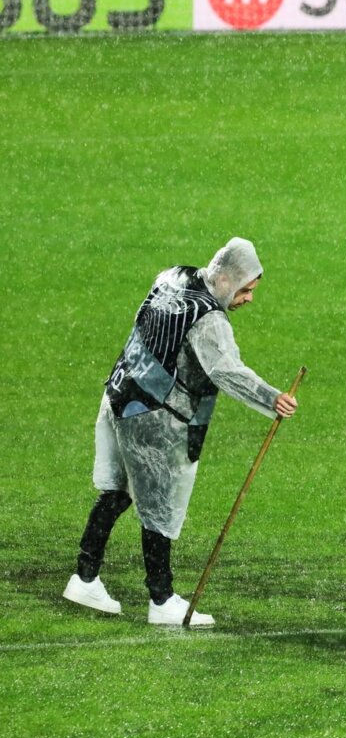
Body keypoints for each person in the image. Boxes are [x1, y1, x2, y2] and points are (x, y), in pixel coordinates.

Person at [63, 238, 298, 627]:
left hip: (118, 395)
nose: (249, 299)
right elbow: (225, 371)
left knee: (117, 493)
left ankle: (84, 577)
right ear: (225, 279)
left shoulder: (173, 276)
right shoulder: (209, 319)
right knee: (159, 507)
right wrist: (271, 399)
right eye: (246, 289)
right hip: (152, 415)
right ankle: (162, 599)